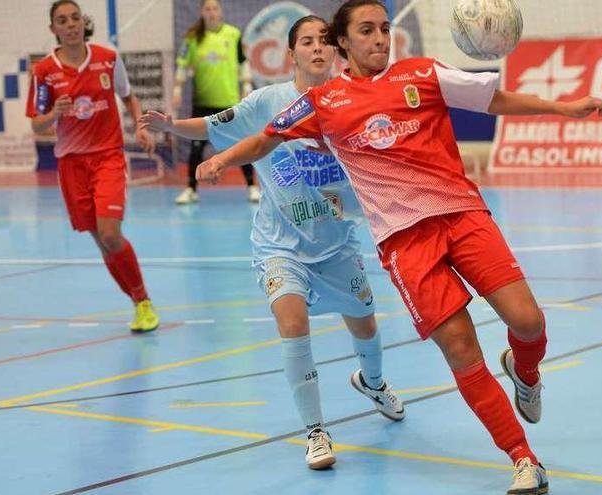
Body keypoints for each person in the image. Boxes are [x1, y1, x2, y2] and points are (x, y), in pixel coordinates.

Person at [195, 1, 602, 492]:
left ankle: (525, 369)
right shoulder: (323, 101)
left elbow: (494, 99)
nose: (380, 39)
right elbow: (266, 139)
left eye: (385, 29)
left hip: (460, 215)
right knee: (459, 347)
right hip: (403, 241)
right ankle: (523, 458)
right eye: (367, 31)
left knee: (529, 321)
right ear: (342, 42)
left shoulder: (423, 73)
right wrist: (222, 160)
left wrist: (562, 107)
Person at [140, 15, 404, 470]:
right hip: (280, 246)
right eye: (307, 42)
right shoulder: (267, 103)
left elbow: (377, 167)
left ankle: (374, 382)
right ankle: (316, 431)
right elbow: (212, 124)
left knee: (365, 326)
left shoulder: (350, 101)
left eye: (325, 41)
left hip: (337, 245)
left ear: (337, 50)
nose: (317, 48)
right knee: (293, 323)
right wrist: (170, 127)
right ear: (291, 54)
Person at [26, 1, 159, 333]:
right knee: (102, 241)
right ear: (53, 29)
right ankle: (137, 303)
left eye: (74, 18)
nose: (70, 25)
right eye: (62, 21)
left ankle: (144, 301)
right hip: (71, 164)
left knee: (111, 234)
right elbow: (37, 126)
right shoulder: (44, 71)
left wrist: (140, 126)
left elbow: (128, 96)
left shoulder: (107, 58)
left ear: (82, 23)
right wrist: (55, 113)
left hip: (107, 157)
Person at [172, 0, 261, 204]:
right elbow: (182, 66)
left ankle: (252, 187)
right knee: (196, 148)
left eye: (215, 8)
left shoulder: (233, 34)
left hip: (228, 102)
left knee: (240, 145)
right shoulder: (193, 37)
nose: (211, 12)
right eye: (207, 9)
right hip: (202, 102)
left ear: (220, 12)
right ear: (202, 13)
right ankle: (190, 190)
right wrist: (177, 89)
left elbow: (243, 62)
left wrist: (246, 86)